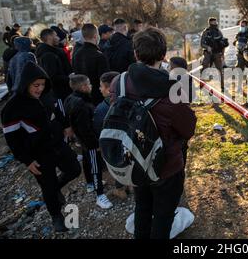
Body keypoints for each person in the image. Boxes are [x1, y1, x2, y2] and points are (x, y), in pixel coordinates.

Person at [109, 26, 197, 239]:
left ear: (136, 53)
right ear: (164, 55)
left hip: (134, 158)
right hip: (166, 165)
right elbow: (187, 129)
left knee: (142, 207)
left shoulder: (118, 82)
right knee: (164, 216)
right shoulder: (173, 89)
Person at [1, 62, 81, 232]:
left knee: (74, 169)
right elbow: (12, 139)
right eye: (35, 85)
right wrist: (27, 160)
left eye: (42, 84)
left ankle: (56, 188)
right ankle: (56, 216)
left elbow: (57, 111)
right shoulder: (12, 108)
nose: (39, 89)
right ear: (25, 84)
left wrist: (65, 125)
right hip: (37, 154)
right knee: (47, 185)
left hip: (57, 144)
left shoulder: (46, 96)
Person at [64, 74, 113, 209]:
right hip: (90, 142)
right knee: (95, 165)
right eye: (90, 84)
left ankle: (90, 183)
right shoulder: (81, 104)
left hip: (82, 140)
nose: (92, 87)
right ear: (84, 87)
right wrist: (95, 144)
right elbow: (85, 128)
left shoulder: (71, 98)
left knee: (86, 161)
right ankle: (100, 195)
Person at [92, 71, 128, 200]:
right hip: (128, 144)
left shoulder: (101, 109)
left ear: (109, 89)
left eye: (101, 86)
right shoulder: (129, 101)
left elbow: (98, 129)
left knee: (117, 165)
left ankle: (120, 189)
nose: (99, 89)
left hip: (112, 145)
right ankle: (128, 183)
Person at [72, 23, 110, 105]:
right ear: (96, 36)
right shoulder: (99, 56)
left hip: (81, 97)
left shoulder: (77, 54)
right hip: (98, 98)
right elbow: (104, 79)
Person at [36, 28, 73, 104]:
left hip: (62, 91)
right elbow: (52, 77)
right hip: (59, 93)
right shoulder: (48, 55)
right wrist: (69, 77)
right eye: (56, 36)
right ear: (50, 37)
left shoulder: (52, 52)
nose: (58, 38)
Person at [200, 17, 228, 92]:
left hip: (217, 53)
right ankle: (202, 84)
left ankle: (222, 87)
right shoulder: (206, 32)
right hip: (208, 53)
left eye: (216, 23)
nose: (215, 24)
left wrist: (222, 54)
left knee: (220, 70)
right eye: (213, 23)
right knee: (204, 65)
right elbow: (202, 44)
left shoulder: (218, 32)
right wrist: (207, 47)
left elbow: (223, 44)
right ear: (210, 23)